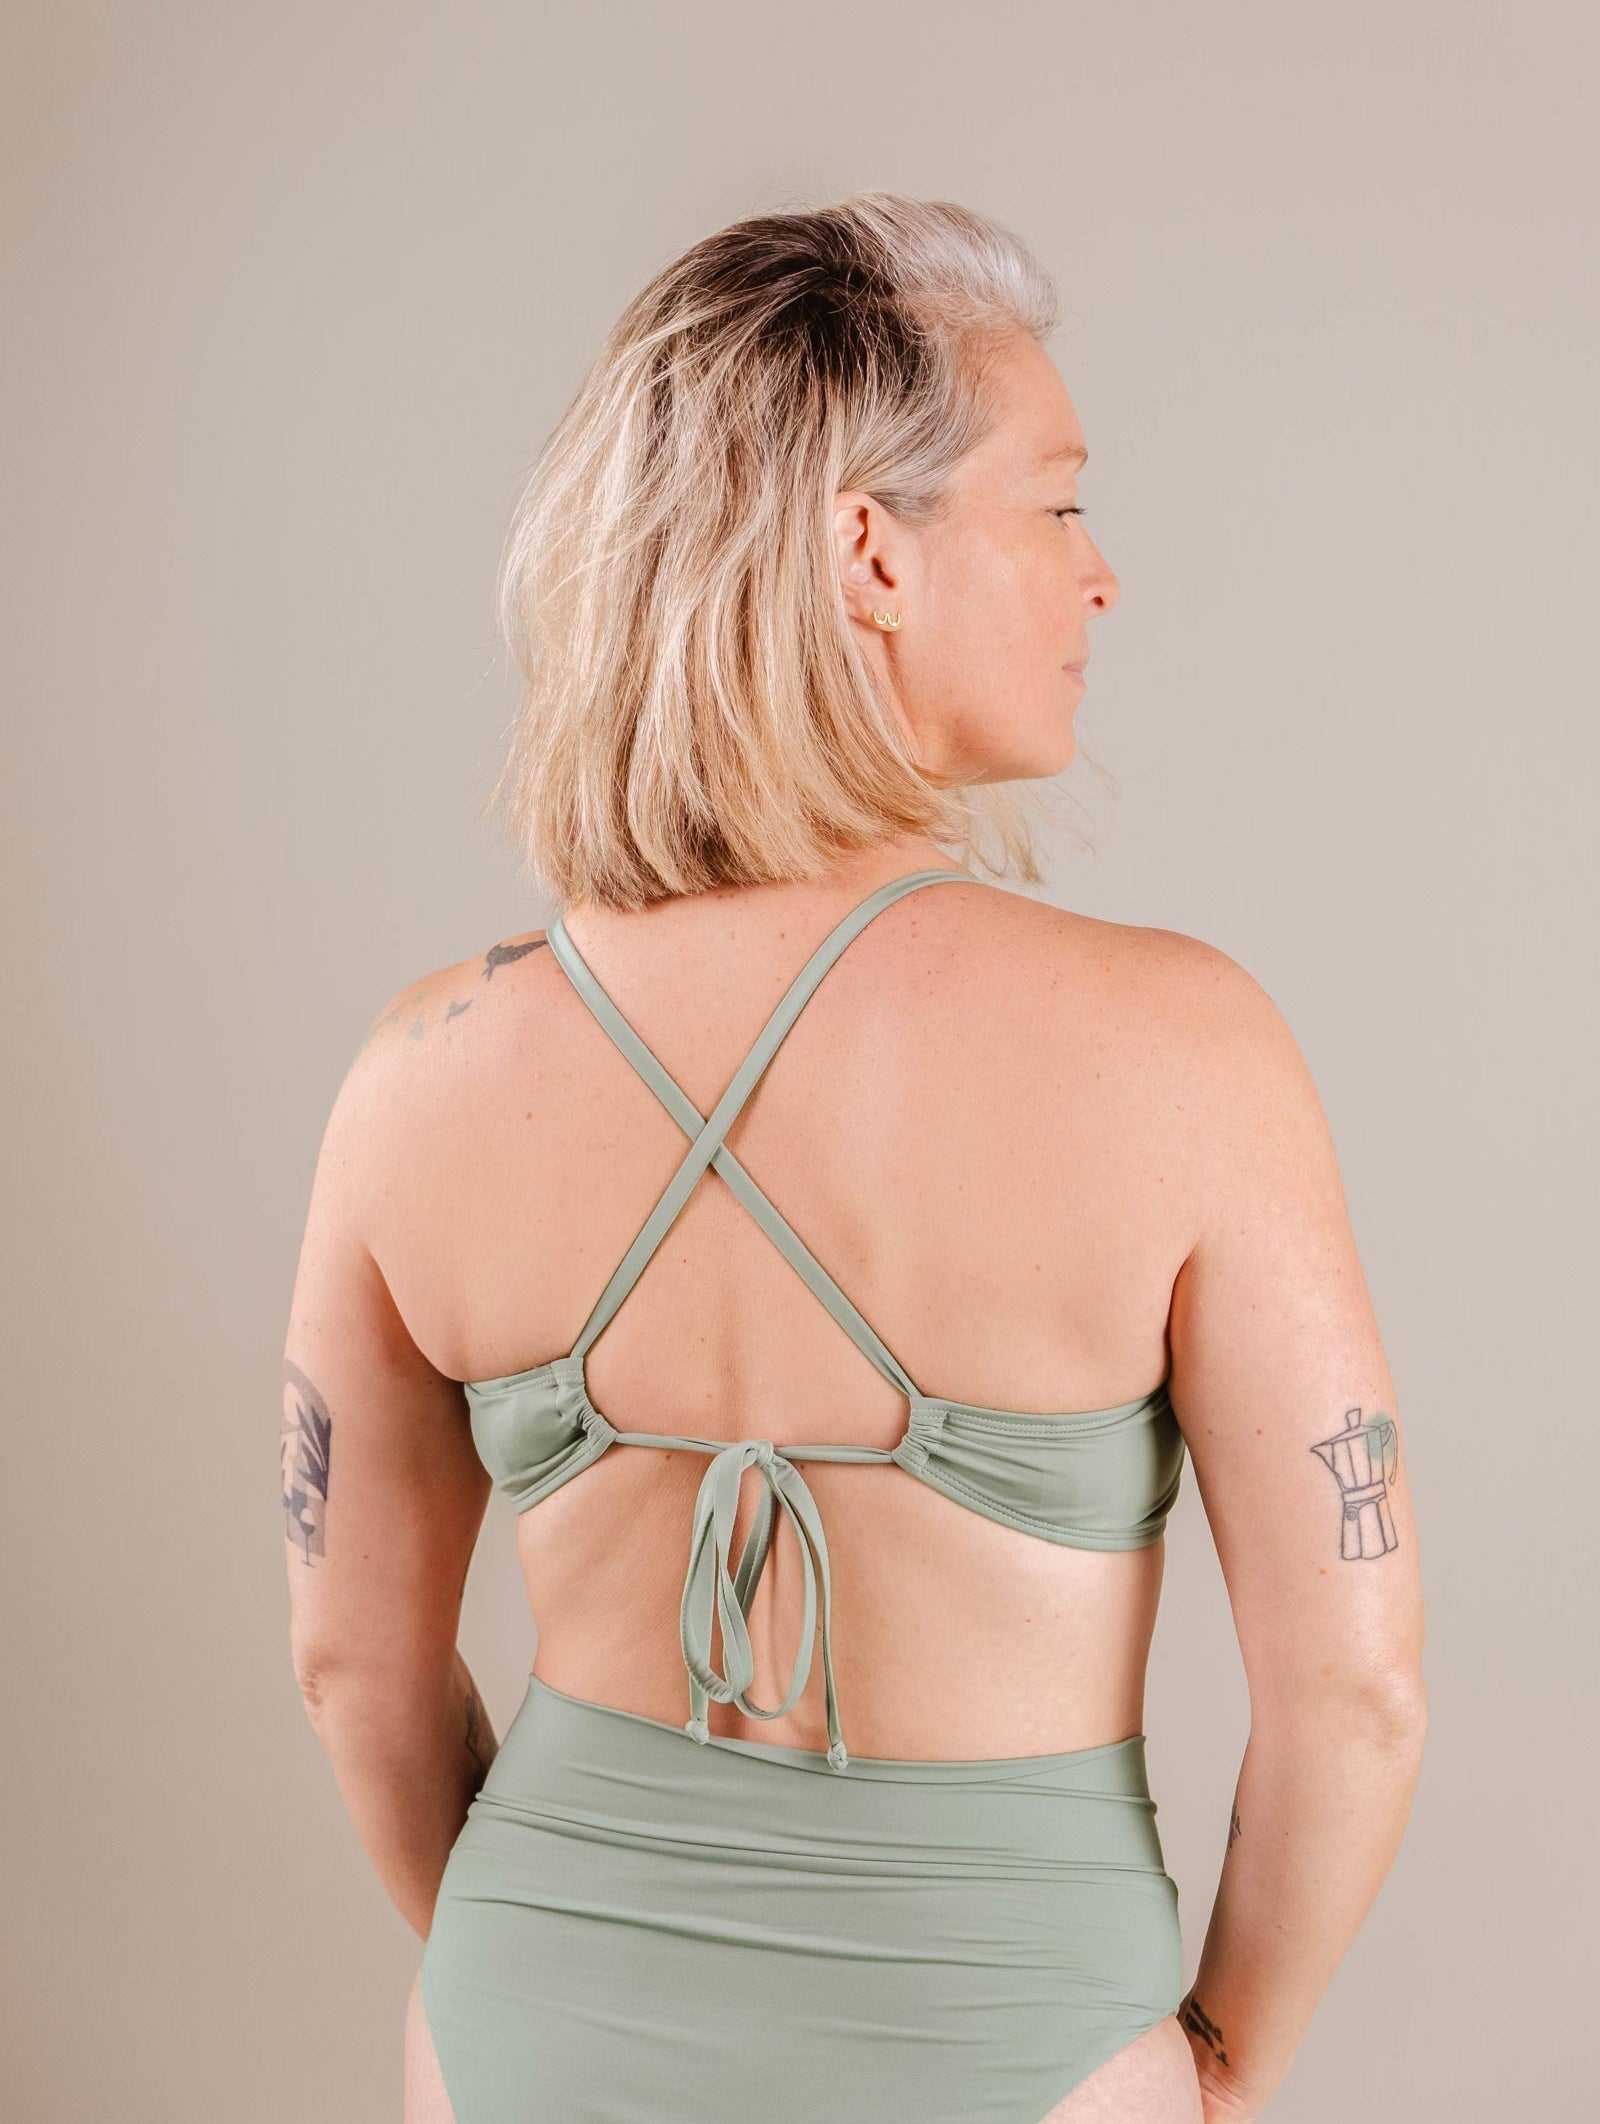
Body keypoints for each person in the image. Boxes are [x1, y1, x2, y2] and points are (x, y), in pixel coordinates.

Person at [282, 191, 1427, 2124]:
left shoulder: (424, 1071)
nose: (1103, 578)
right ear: (868, 554)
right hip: (1016, 2046)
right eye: (1059, 503)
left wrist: (544, 1974)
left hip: (529, 2033)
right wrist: (1221, 2067)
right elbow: (1356, 1693)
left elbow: (351, 1669)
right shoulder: (1180, 1049)